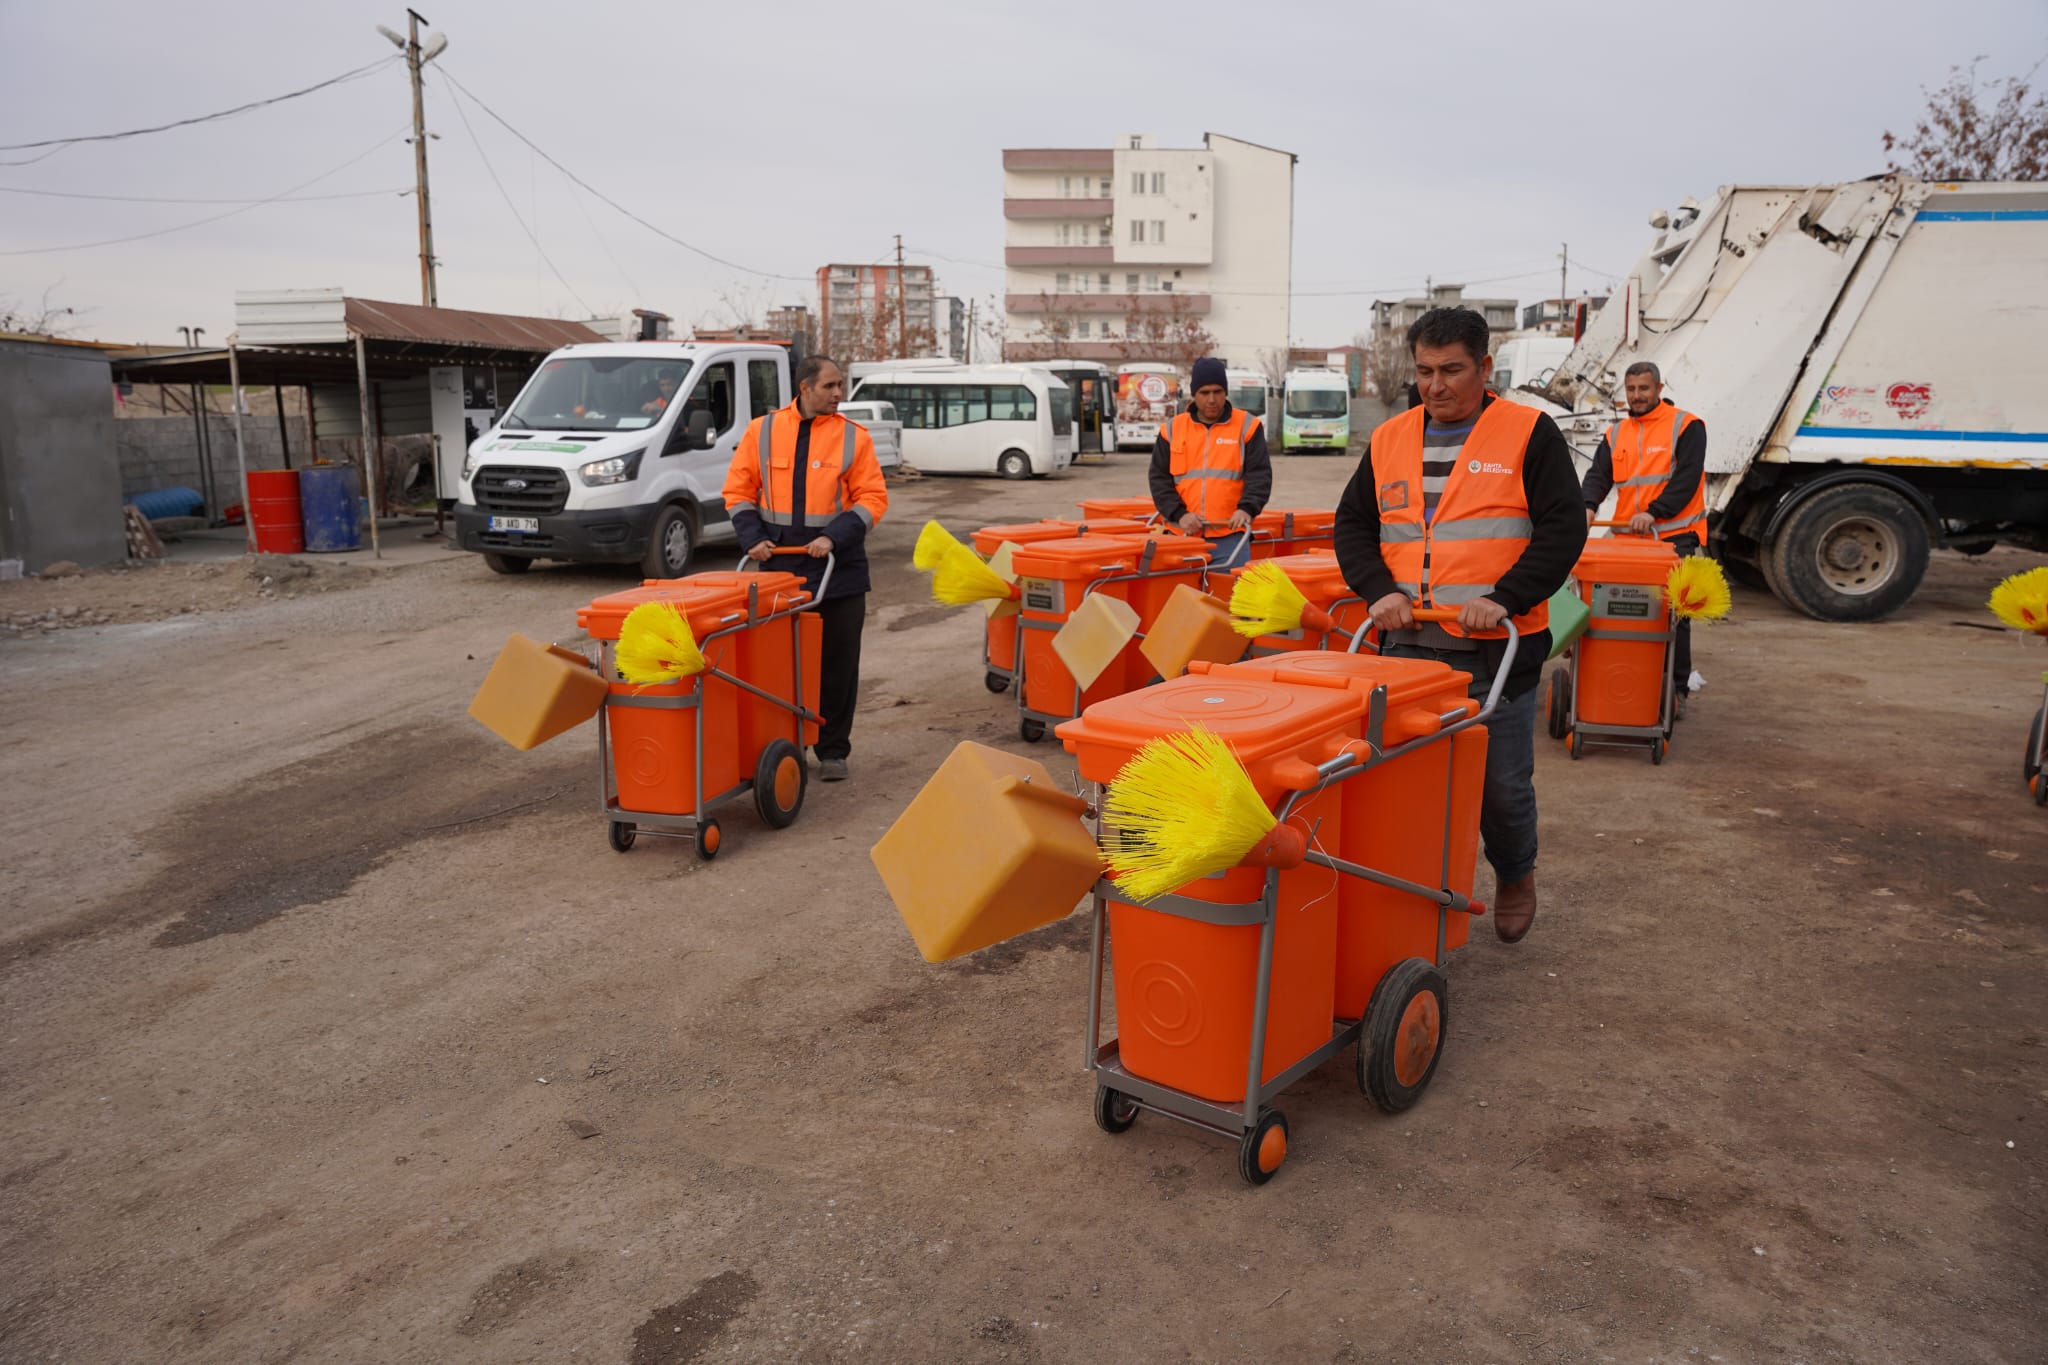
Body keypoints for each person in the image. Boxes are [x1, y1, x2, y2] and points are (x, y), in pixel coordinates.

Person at [1334, 308, 1587, 943]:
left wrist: (1506, 596)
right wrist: (1377, 592)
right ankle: (1409, 900)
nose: (1435, 385)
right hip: (1402, 647)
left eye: (1451, 370)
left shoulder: (1529, 434)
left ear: (1484, 368)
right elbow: (1353, 527)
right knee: (1401, 788)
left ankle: (1515, 872)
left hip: (1493, 651)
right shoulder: (1390, 438)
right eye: (1424, 371)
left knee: (1497, 788)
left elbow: (1563, 529)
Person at [723, 355, 888, 783]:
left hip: (838, 566)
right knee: (779, 665)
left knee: (837, 665)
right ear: (805, 387)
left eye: (840, 386)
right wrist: (751, 537)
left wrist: (834, 535)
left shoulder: (855, 438)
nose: (838, 394)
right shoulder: (763, 431)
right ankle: (784, 746)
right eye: (831, 386)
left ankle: (832, 750)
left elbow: (872, 499)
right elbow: (738, 489)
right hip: (779, 567)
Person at [1579, 360, 1708, 713]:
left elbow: (1688, 479)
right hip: (1628, 540)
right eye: (1631, 390)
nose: (1637, 396)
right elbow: (1598, 476)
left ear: (1659, 389)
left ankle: (1676, 690)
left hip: (1673, 536)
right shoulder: (1616, 434)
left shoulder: (1686, 427)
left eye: (1644, 389)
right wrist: (1587, 505)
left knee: (1673, 615)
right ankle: (1626, 678)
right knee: (1617, 611)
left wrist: (1654, 511)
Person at [1149, 356, 1272, 570]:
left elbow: (1259, 476)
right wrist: (1179, 514)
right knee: (1182, 601)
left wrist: (1246, 509)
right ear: (1194, 394)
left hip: (1230, 537)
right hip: (1181, 535)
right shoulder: (1172, 429)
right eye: (1205, 393)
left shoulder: (1247, 427)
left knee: (1227, 602)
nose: (1212, 399)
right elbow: (1159, 480)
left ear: (1226, 392)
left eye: (1218, 391)